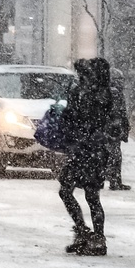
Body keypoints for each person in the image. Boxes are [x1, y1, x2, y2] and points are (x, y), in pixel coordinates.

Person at [58, 57, 114, 256]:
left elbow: (86, 119)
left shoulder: (100, 94)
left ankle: (95, 237)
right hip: (86, 150)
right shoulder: (89, 92)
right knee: (71, 191)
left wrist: (70, 120)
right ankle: (86, 233)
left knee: (89, 195)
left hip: (90, 150)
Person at [105, 67, 131, 191]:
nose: (121, 82)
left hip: (110, 129)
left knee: (113, 155)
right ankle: (114, 181)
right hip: (112, 129)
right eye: (119, 80)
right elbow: (118, 113)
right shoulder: (113, 93)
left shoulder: (109, 92)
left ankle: (114, 181)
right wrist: (121, 127)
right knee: (114, 156)